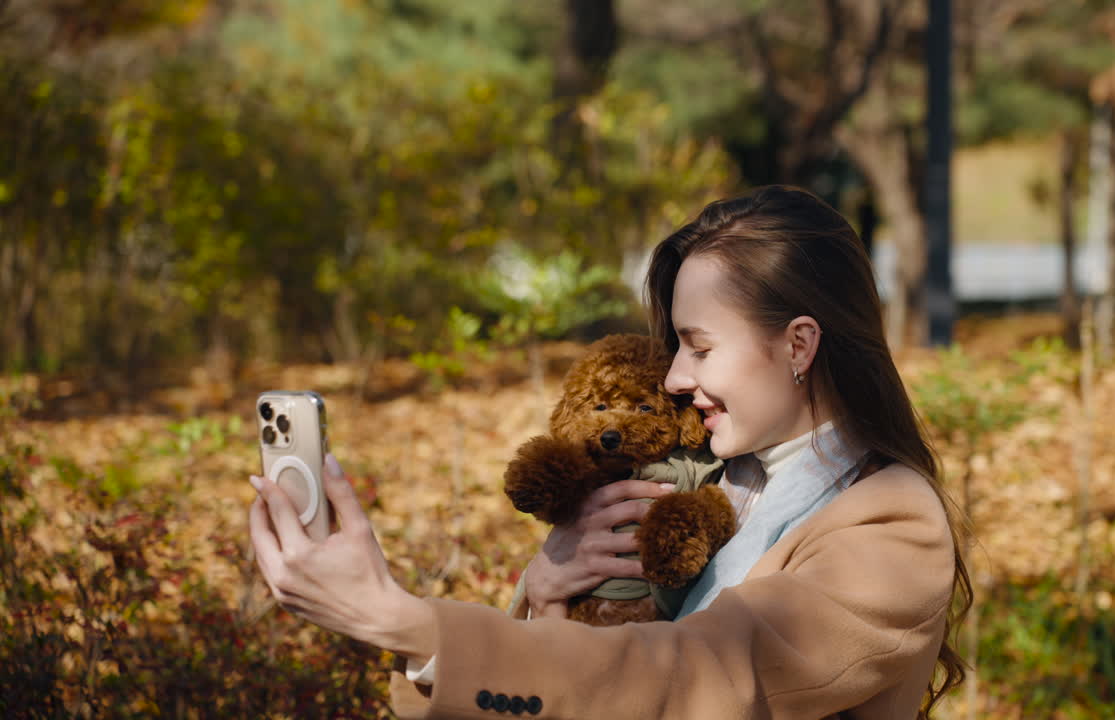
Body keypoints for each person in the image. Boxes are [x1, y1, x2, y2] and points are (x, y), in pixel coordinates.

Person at [247, 185, 972, 719]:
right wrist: (551, 592)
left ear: (799, 344)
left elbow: (697, 675)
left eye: (699, 346)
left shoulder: (889, 526)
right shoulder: (710, 480)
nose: (674, 378)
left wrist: (406, 622)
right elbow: (595, 681)